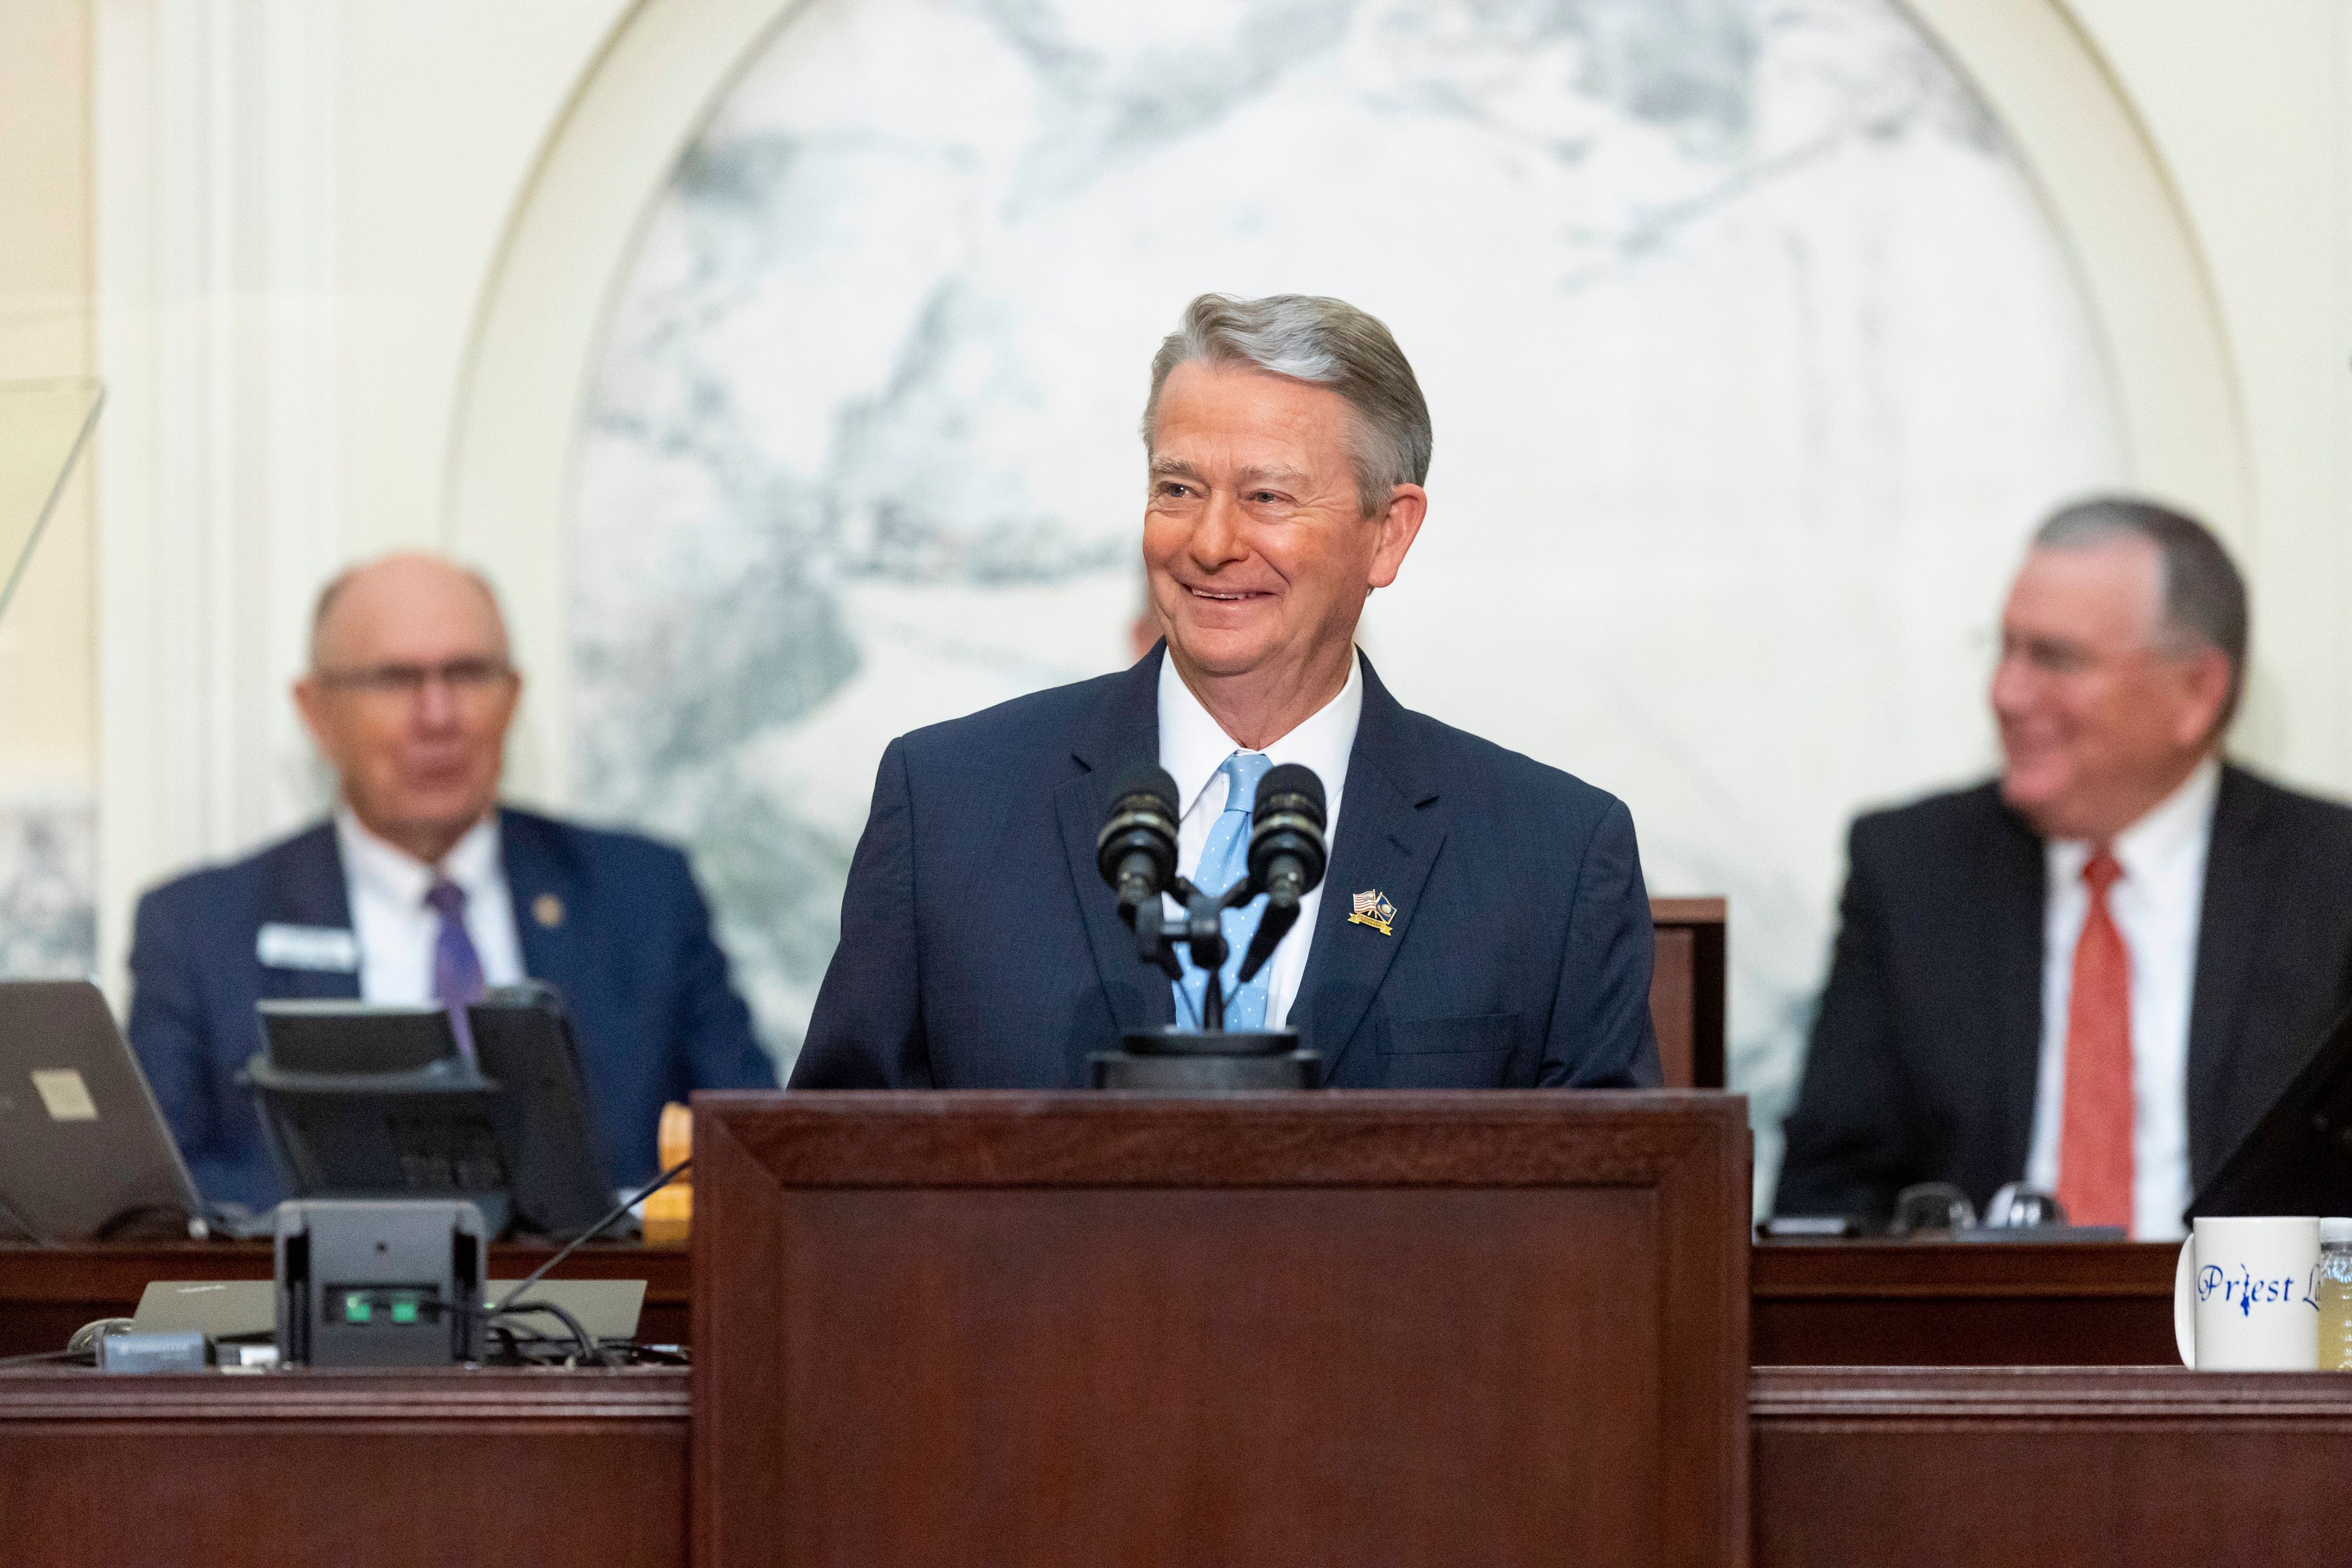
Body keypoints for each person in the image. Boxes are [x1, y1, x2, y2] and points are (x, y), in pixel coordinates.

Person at [792, 293, 1660, 1090]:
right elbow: (825, 1187)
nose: (1210, 542)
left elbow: (1614, 1228)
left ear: (1388, 535)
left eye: (1267, 497)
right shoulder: (949, 806)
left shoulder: (1554, 857)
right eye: (1178, 489)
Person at [1776, 499, 2352, 1237]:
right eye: (2005, 650)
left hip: (2254, 1334)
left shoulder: (2330, 880)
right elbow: (1828, 1196)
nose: (2007, 694)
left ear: (2197, 693)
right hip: (1982, 1338)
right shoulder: (1914, 871)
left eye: (2055, 658)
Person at [127, 554, 776, 1208]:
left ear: (514, 695)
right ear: (316, 710)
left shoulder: (643, 897)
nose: (438, 716)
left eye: (467, 673)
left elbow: (756, 1157)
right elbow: (161, 1198)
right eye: (394, 678)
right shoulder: (199, 929)